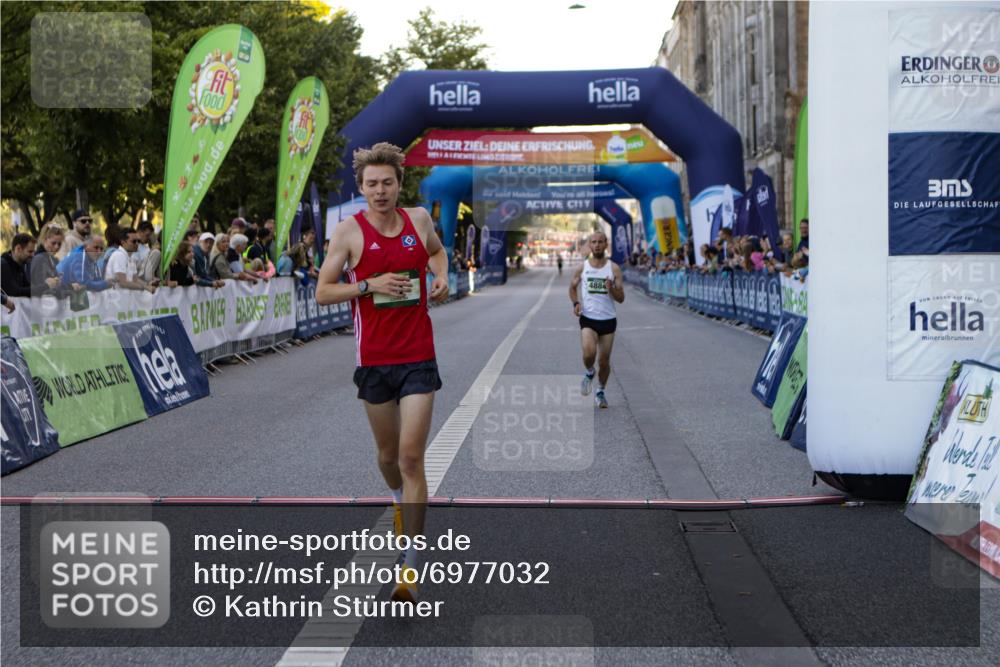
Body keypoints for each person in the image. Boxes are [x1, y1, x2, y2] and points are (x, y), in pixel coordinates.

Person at [315, 142, 449, 603]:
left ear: (399, 183)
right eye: (371, 184)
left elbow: (437, 252)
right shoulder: (348, 233)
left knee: (412, 458)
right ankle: (396, 499)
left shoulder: (419, 220)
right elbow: (322, 293)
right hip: (374, 360)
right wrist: (368, 285)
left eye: (387, 183)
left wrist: (442, 275)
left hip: (418, 354)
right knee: (388, 458)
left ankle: (410, 567)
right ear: (362, 187)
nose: (380, 191)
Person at [568, 231, 624, 409]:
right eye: (594, 242)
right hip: (588, 318)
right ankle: (590, 372)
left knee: (604, 361)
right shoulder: (582, 268)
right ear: (589, 246)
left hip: (608, 319)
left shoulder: (614, 268)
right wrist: (576, 302)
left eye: (600, 242)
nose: (597, 245)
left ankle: (600, 391)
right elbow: (572, 287)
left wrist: (611, 289)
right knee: (588, 353)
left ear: (606, 244)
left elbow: (621, 298)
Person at [31, 224, 80, 297]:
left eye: (59, 244)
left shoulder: (52, 259)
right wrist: (70, 288)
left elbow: (57, 283)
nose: (57, 247)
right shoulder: (40, 259)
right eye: (53, 243)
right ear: (45, 240)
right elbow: (44, 289)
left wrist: (70, 286)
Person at [105, 228, 156, 293]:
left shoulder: (131, 257)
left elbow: (134, 279)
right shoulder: (119, 256)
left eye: (138, 241)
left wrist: (148, 284)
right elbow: (122, 283)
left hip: (125, 298)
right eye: (134, 241)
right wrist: (145, 287)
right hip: (115, 299)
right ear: (123, 242)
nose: (137, 244)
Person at [0, 233, 36, 298]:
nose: (33, 255)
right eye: (30, 251)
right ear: (18, 249)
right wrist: (43, 287)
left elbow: (27, 287)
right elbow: (14, 292)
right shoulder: (3, 265)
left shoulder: (20, 264)